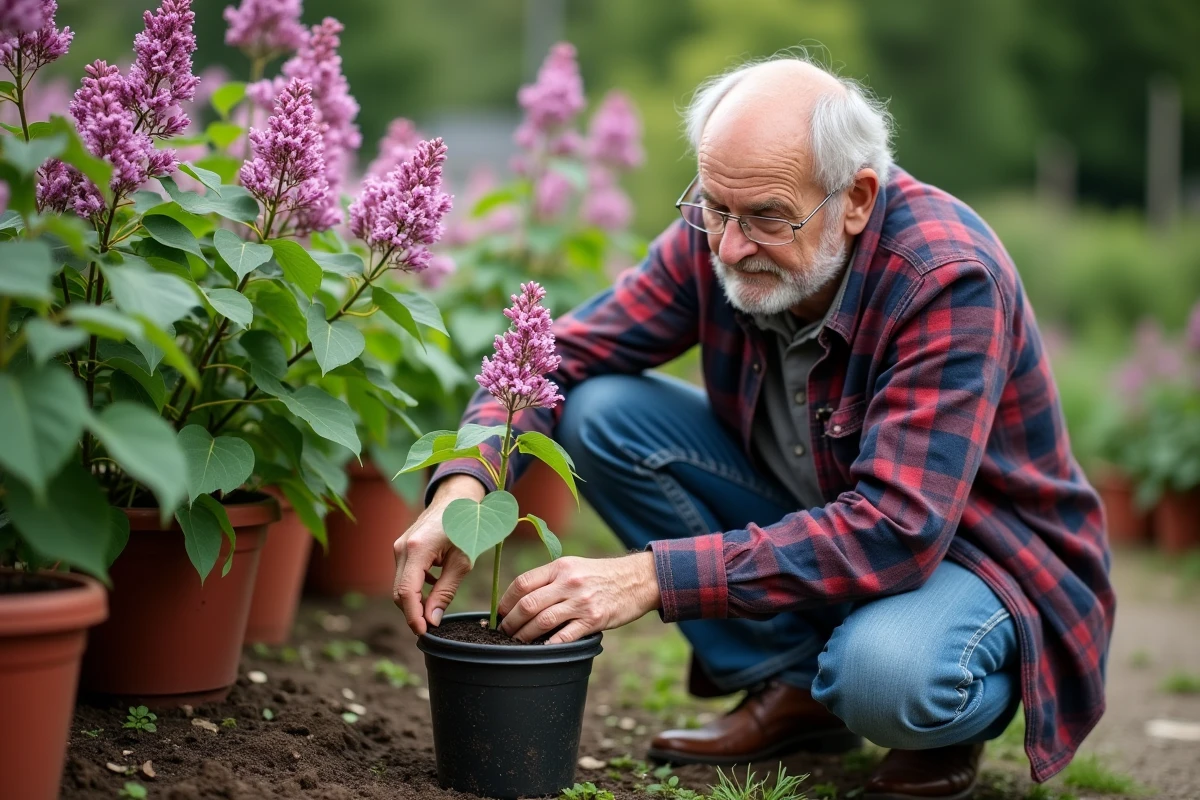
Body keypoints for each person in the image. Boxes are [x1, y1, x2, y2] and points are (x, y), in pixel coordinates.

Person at [392, 53, 1115, 800]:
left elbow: (897, 529)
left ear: (856, 197)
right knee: (606, 413)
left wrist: (649, 576)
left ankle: (946, 722)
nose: (730, 247)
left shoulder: (944, 279)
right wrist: (464, 485)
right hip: (824, 510)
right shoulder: (723, 229)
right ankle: (794, 687)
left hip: (977, 555)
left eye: (767, 217)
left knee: (884, 677)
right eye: (713, 207)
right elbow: (557, 355)